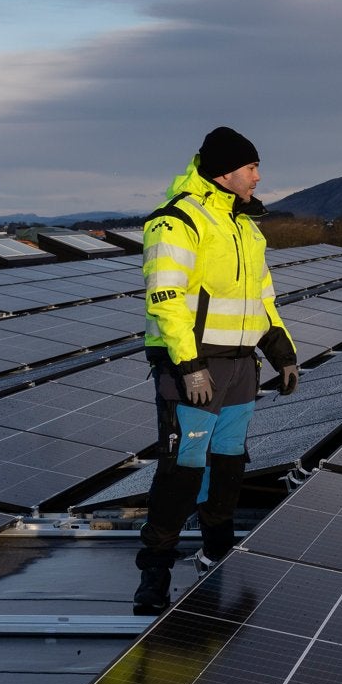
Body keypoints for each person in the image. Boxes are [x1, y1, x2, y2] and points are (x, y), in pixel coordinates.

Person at [132, 125, 300, 614]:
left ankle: (218, 552)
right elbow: (165, 299)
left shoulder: (244, 227)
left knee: (229, 464)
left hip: (241, 366)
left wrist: (282, 353)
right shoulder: (178, 221)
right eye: (251, 167)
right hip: (197, 368)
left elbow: (262, 299)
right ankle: (155, 571)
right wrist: (187, 365)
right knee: (183, 468)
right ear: (227, 171)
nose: (258, 176)